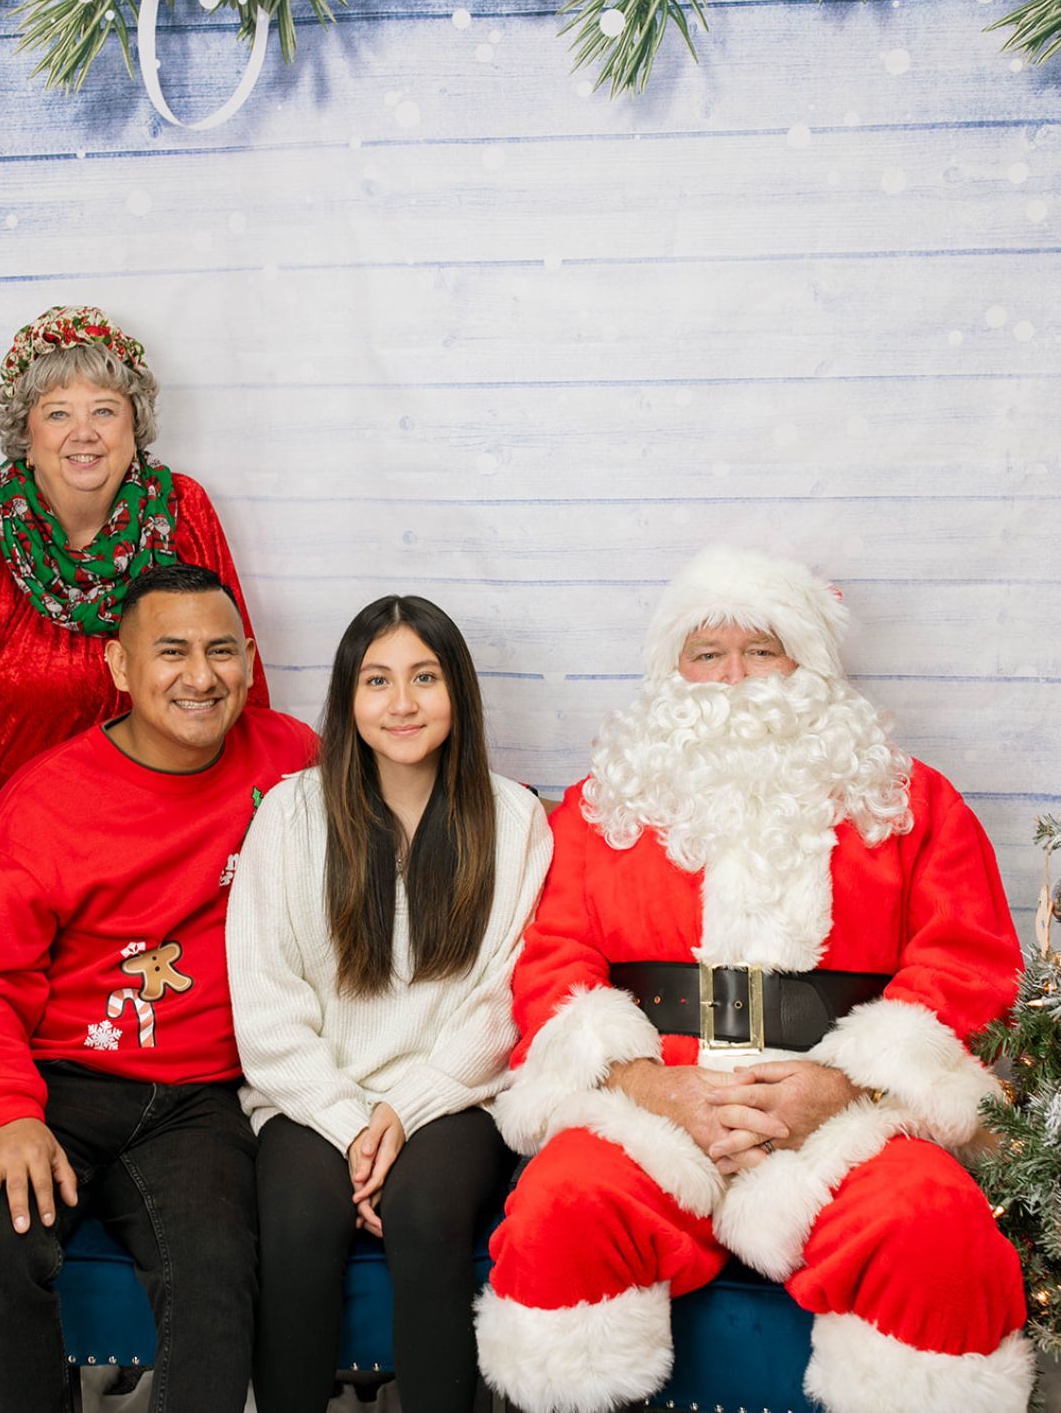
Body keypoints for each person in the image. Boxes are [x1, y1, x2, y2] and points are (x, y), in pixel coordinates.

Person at [475, 545, 1031, 1413]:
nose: (735, 676)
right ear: (673, 671)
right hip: (655, 1107)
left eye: (761, 649)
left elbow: (969, 960)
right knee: (563, 1207)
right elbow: (554, 962)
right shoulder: (601, 808)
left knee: (935, 1229)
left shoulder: (911, 801)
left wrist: (846, 1085)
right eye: (707, 653)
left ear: (807, 662)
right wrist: (647, 1084)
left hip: (852, 1121)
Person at [0, 562, 316, 1413]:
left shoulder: (292, 763)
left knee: (215, 1282)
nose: (200, 675)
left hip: (198, 1098)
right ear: (117, 666)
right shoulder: (49, 801)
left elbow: (405, 812)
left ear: (249, 662)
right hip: (56, 1082)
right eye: (171, 651)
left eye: (221, 651)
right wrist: (6, 1115)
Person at [0, 305, 268, 1136]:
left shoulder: (185, 515)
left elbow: (230, 671)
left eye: (106, 409)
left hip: (165, 846)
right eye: (57, 412)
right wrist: (0, 875)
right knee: (1, 1065)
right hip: (18, 857)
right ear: (24, 434)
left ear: (137, 426)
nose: (84, 432)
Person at [226, 594, 552, 1413]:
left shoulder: (513, 819)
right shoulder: (292, 815)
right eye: (377, 680)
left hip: (455, 1097)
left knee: (427, 1214)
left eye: (424, 678)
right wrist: (349, 1124)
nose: (401, 704)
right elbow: (266, 1003)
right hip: (310, 1098)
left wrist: (404, 1113)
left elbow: (504, 996)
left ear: (459, 694)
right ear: (347, 697)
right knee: (300, 1225)